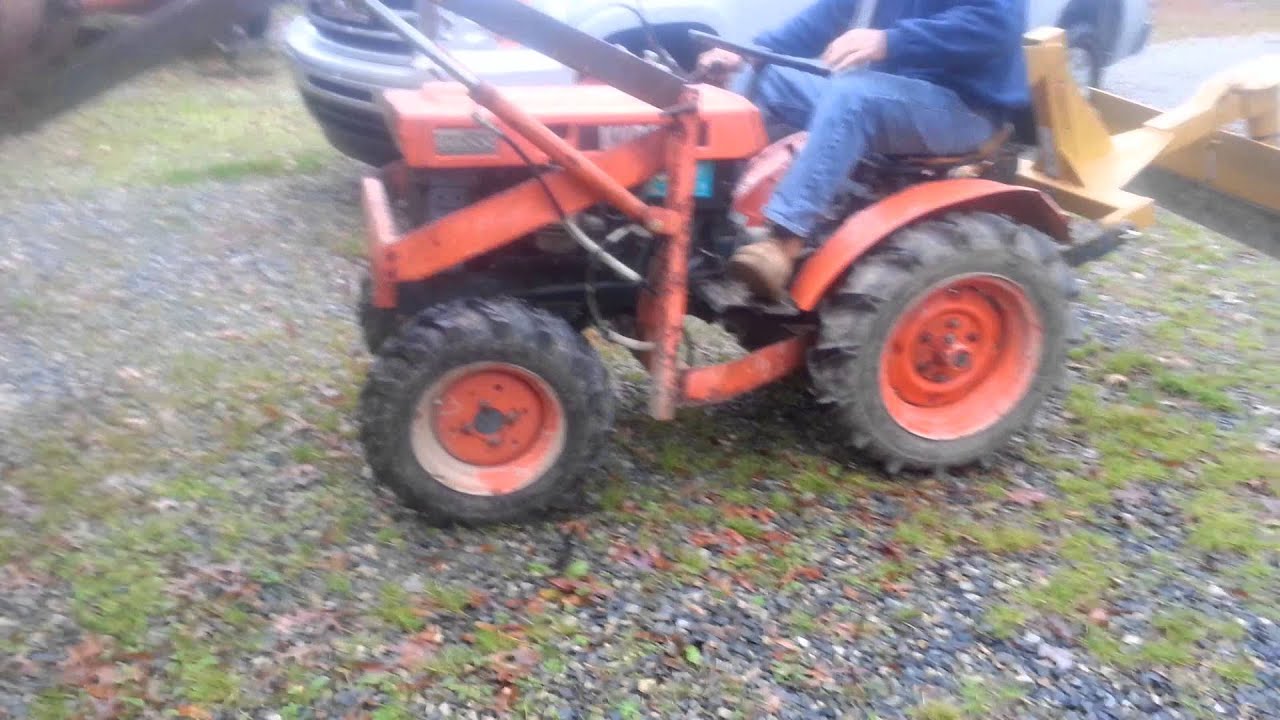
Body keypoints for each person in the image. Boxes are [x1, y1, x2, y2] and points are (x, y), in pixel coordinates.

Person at [696, 0, 1030, 302]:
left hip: (965, 106)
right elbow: (830, 14)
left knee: (854, 96)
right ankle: (718, 213)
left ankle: (783, 241)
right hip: (896, 89)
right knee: (774, 78)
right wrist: (748, 52)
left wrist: (889, 41)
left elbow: (994, 25)